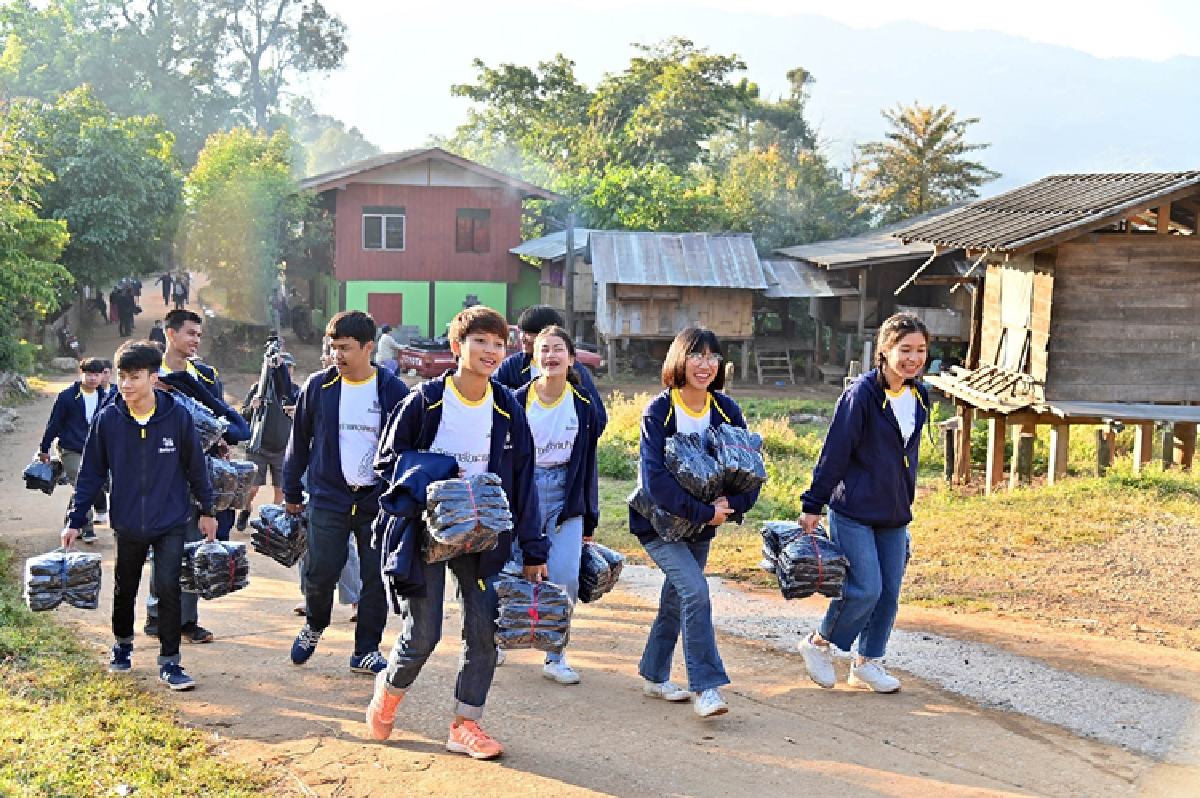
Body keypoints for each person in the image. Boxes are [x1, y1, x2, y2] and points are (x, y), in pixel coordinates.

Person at [365, 305, 547, 759]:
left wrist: (533, 548)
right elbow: (387, 463)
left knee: (484, 631)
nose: (490, 351)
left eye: (498, 344)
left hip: (483, 538)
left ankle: (466, 724)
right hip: (426, 533)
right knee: (422, 636)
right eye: (480, 341)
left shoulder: (507, 406)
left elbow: (523, 481)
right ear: (456, 347)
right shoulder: (425, 401)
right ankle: (388, 692)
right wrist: (441, 481)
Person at [62, 341, 218, 691]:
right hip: (129, 520)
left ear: (154, 377)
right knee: (125, 587)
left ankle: (170, 662)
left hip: (172, 519)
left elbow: (196, 467)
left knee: (168, 588)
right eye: (122, 377)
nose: (126, 384)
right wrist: (75, 519)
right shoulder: (108, 420)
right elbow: (90, 474)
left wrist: (207, 511)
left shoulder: (177, 416)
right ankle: (122, 645)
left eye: (134, 377)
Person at [631, 327, 762, 719]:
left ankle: (654, 674)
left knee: (677, 599)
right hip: (656, 524)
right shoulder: (659, 411)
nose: (705, 364)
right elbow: (654, 482)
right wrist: (707, 512)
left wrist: (734, 505)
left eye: (712, 357)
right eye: (696, 355)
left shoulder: (726, 410)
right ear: (679, 360)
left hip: (702, 526)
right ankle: (705, 687)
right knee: (696, 592)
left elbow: (750, 471)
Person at [797, 313, 931, 694]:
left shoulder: (918, 395)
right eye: (905, 350)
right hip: (853, 510)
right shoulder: (861, 395)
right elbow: (835, 452)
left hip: (893, 513)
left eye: (920, 350)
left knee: (889, 592)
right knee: (865, 589)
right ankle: (818, 643)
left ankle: (867, 663)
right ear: (884, 351)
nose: (913, 358)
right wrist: (813, 504)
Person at [283, 310, 409, 675]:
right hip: (328, 497)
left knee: (375, 577)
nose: (337, 355)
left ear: (369, 348)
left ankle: (365, 650)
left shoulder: (392, 390)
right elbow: (299, 443)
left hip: (376, 502)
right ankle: (314, 624)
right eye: (333, 347)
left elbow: (407, 447)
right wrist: (292, 491)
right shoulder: (318, 387)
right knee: (320, 572)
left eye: (346, 348)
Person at [144, 308, 247, 644]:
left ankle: (186, 620)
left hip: (196, 474)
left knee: (191, 544)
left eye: (199, 335)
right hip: (156, 473)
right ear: (170, 334)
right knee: (161, 545)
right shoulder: (147, 373)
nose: (195, 340)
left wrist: (219, 443)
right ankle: (156, 615)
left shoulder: (203, 376)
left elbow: (221, 421)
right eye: (189, 333)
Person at [511, 325, 601, 685]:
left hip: (566, 495)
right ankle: (502, 637)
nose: (551, 356)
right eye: (544, 349)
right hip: (524, 491)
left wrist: (589, 518)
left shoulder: (584, 406)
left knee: (564, 577)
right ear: (534, 357)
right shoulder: (517, 400)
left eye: (558, 349)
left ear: (571, 358)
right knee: (516, 569)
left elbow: (588, 463)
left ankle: (555, 655)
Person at [496, 305, 607, 433]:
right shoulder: (513, 365)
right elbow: (490, 393)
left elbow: (599, 417)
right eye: (522, 332)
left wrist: (580, 447)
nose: (523, 338)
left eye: (529, 333)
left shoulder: (573, 368)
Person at [38, 358, 108, 544]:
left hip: (95, 450)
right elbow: (54, 424)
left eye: (96, 374)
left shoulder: (106, 398)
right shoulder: (67, 396)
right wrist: (43, 448)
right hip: (70, 448)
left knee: (88, 486)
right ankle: (87, 528)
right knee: (80, 480)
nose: (93, 378)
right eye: (89, 374)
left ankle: (71, 521)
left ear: (102, 375)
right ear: (81, 373)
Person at [237, 351, 300, 528]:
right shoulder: (260, 388)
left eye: (289, 367)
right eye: (283, 367)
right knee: (253, 488)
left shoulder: (295, 391)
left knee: (281, 489)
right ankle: (246, 510)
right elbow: (244, 417)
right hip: (259, 447)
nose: (287, 371)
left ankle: (271, 521)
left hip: (283, 449)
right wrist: (252, 406)